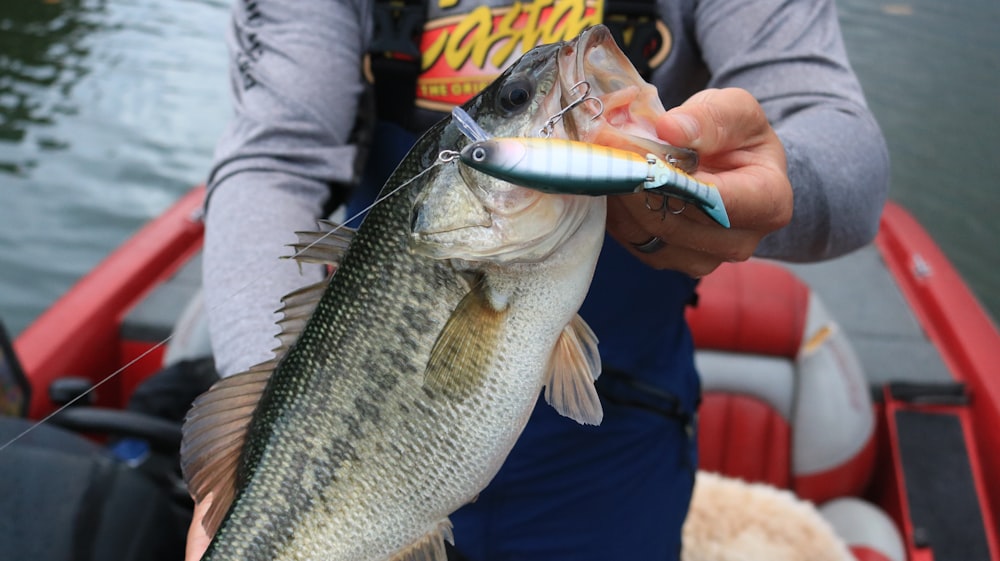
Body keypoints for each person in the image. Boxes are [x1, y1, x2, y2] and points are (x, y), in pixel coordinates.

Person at [191, 0, 889, 559]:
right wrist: (267, 485)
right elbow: (275, 161)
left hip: (616, 450)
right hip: (361, 459)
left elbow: (844, 148)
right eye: (524, 97)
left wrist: (777, 183)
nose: (563, 81)